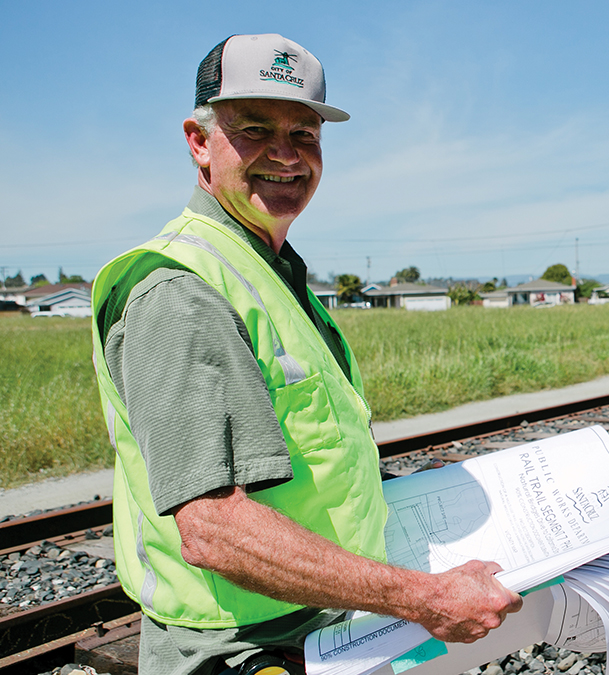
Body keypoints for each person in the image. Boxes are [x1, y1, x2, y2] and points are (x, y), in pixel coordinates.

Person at [90, 34, 522, 675]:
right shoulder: (181, 291)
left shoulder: (266, 267)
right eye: (256, 129)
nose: (286, 156)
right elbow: (214, 528)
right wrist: (425, 598)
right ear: (199, 141)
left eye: (306, 134)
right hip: (239, 646)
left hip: (316, 621)